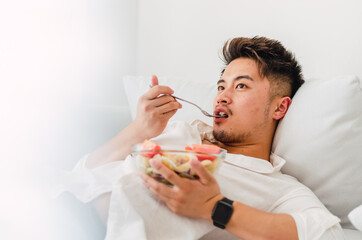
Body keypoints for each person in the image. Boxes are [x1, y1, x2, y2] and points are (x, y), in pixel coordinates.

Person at [69, 37, 343, 239]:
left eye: (241, 86)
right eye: (221, 86)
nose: (222, 95)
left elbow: (329, 234)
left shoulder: (278, 187)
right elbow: (82, 173)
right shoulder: (179, 131)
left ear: (279, 107)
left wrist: (215, 208)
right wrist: (139, 128)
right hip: (61, 202)